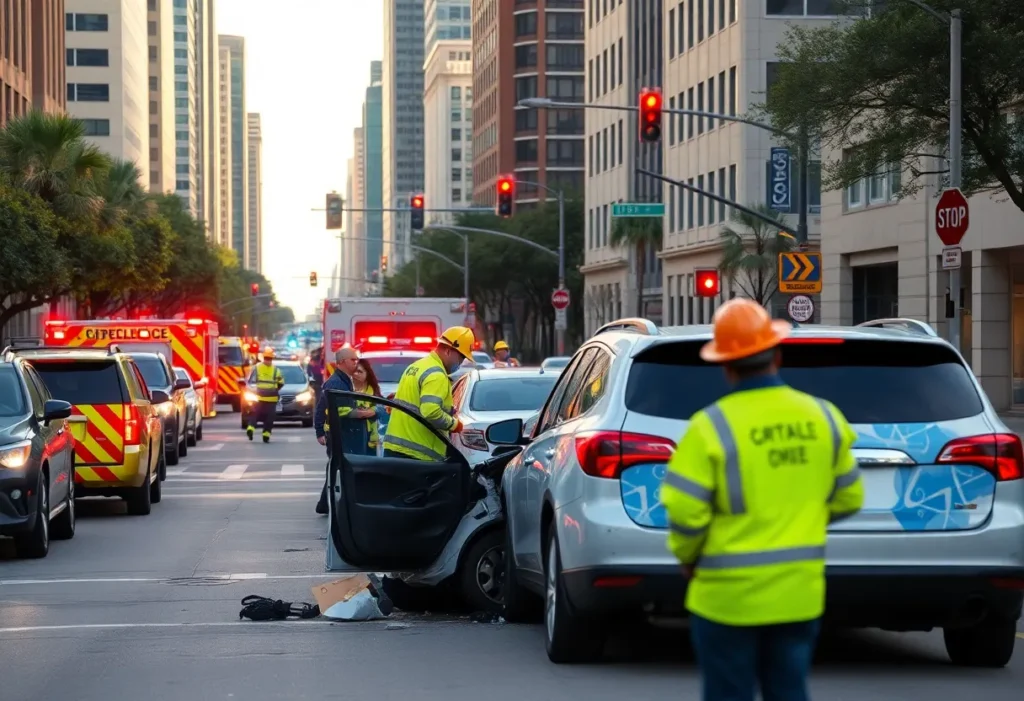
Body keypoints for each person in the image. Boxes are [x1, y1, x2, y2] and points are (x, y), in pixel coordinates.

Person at [659, 299, 864, 701]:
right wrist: (800, 517)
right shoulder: (824, 417)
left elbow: (685, 512)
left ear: (726, 365)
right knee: (789, 690)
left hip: (725, 599)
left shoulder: (709, 426)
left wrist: (687, 557)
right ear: (777, 354)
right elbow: (849, 497)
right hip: (798, 597)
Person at [380, 326, 473, 461]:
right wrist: (454, 424)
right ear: (448, 351)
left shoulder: (417, 366)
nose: (461, 363)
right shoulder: (437, 374)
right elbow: (431, 412)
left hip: (395, 449)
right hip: (416, 455)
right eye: (461, 357)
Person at [314, 347, 374, 514]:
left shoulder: (345, 380)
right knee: (338, 468)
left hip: (342, 434)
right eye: (353, 360)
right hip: (339, 434)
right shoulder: (336, 383)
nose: (356, 362)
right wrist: (319, 430)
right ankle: (330, 504)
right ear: (341, 362)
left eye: (357, 359)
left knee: (336, 468)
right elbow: (324, 408)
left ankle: (325, 504)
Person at [247, 347, 284, 443]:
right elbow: (281, 383)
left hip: (259, 397)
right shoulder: (276, 370)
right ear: (272, 359)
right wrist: (275, 389)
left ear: (264, 358)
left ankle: (251, 427)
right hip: (272, 398)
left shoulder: (257, 367)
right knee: (269, 418)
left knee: (255, 414)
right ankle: (266, 435)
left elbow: (251, 381)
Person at [352, 358, 389, 455]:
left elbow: (383, 414)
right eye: (354, 371)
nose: (356, 374)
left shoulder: (374, 393)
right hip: (351, 437)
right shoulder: (345, 391)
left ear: (367, 374)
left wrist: (374, 411)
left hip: (370, 440)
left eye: (359, 371)